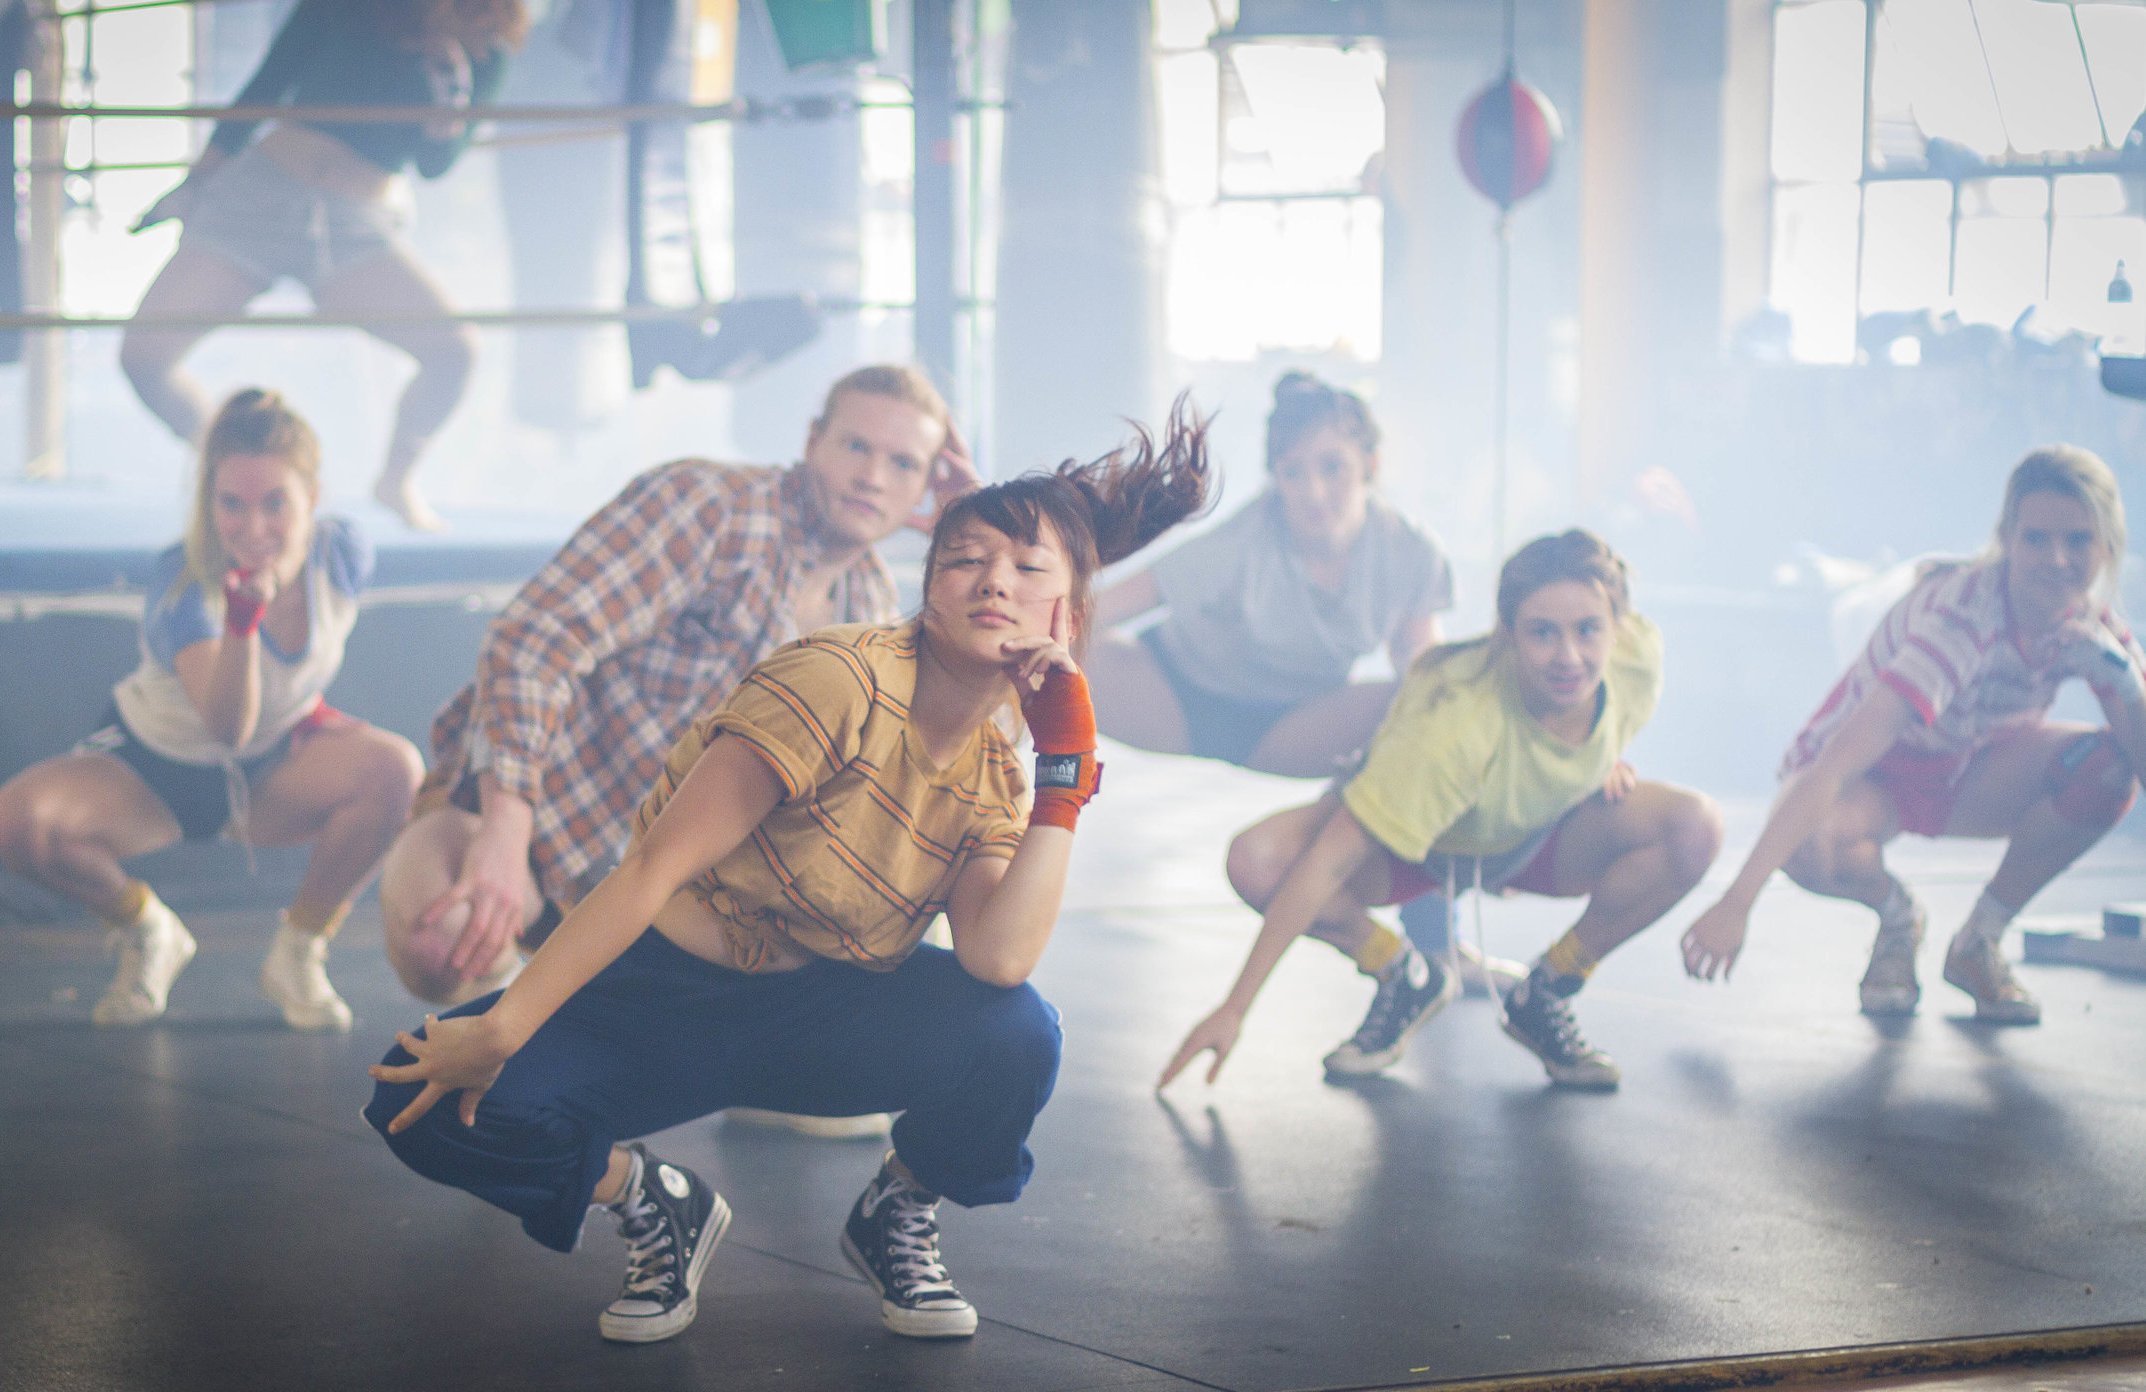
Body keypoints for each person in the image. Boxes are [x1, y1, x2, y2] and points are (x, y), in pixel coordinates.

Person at [363, 410, 1211, 1345]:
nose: (993, 583)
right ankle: (657, 1200)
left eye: (1025, 568)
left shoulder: (998, 777)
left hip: (824, 1008)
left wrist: (1065, 769)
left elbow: (998, 958)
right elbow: (651, 867)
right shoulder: (840, 679)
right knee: (418, 1101)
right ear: (929, 587)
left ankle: (897, 1207)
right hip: (664, 994)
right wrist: (504, 1025)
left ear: (1070, 617)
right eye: (966, 559)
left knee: (1018, 1035)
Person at [381, 365, 975, 1006]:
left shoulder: (874, 605)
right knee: (444, 946)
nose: (873, 477)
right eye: (856, 446)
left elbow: (943, 760)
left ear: (923, 487)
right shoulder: (713, 505)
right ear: (812, 441)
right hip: (545, 827)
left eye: (903, 463)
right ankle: (510, 965)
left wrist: (969, 540)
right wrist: (503, 833)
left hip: (665, 898)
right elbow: (536, 639)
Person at [1161, 531, 1722, 1091]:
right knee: (1258, 861)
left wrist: (1608, 755)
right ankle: (1404, 975)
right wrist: (1234, 1006)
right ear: (1508, 634)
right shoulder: (1454, 725)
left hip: (1537, 836)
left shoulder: (1636, 659)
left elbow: (1607, 713)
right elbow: (1328, 863)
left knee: (1694, 828)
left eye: (1588, 630)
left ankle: (1546, 991)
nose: (1569, 657)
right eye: (1543, 633)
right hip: (1427, 848)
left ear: (1617, 626)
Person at [0, 390, 423, 1031]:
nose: (253, 528)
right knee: (19, 824)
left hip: (274, 766)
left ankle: (299, 949)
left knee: (397, 770)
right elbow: (226, 726)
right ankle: (146, 929)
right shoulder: (184, 580)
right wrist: (243, 620)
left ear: (314, 497)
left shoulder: (342, 554)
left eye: (275, 502)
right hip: (155, 772)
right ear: (208, 501)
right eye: (232, 504)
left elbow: (286, 685)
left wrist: (312, 711)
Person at [1682, 447, 2144, 1023]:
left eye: (2078, 540)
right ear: (2006, 538)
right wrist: (1736, 902)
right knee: (1809, 844)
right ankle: (1900, 919)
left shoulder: (2093, 624)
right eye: (2035, 539)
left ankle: (1979, 943)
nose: (2057, 560)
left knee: (2108, 769)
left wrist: (2128, 689)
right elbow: (1839, 762)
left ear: (2106, 545)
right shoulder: (1963, 619)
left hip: (1972, 771)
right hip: (1877, 777)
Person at [1083, 373, 1477, 985]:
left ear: (1370, 464)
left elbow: (1424, 672)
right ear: (1275, 479)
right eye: (1293, 473)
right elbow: (1102, 610)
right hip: (1173, 697)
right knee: (1051, 650)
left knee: (1427, 712)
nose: (1313, 492)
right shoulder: (1241, 540)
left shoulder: (1407, 550)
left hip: (1291, 724)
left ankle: (1434, 948)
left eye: (1332, 468)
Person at [123, 0, 529, 532]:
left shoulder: (486, 47)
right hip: (259, 196)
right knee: (143, 354)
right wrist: (195, 183)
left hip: (353, 225)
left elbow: (435, 166)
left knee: (455, 352)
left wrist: (447, 97)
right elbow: (263, 88)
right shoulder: (341, 7)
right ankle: (222, 465)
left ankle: (396, 480)